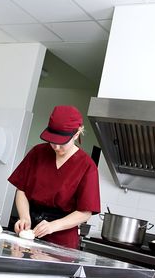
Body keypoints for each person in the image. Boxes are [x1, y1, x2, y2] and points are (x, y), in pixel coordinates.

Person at [8, 105, 100, 249]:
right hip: (29, 232)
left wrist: (54, 226)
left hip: (61, 241)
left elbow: (85, 212)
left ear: (76, 134)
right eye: (52, 141)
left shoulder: (87, 166)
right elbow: (22, 190)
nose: (56, 147)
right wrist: (24, 217)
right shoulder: (37, 153)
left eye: (61, 143)